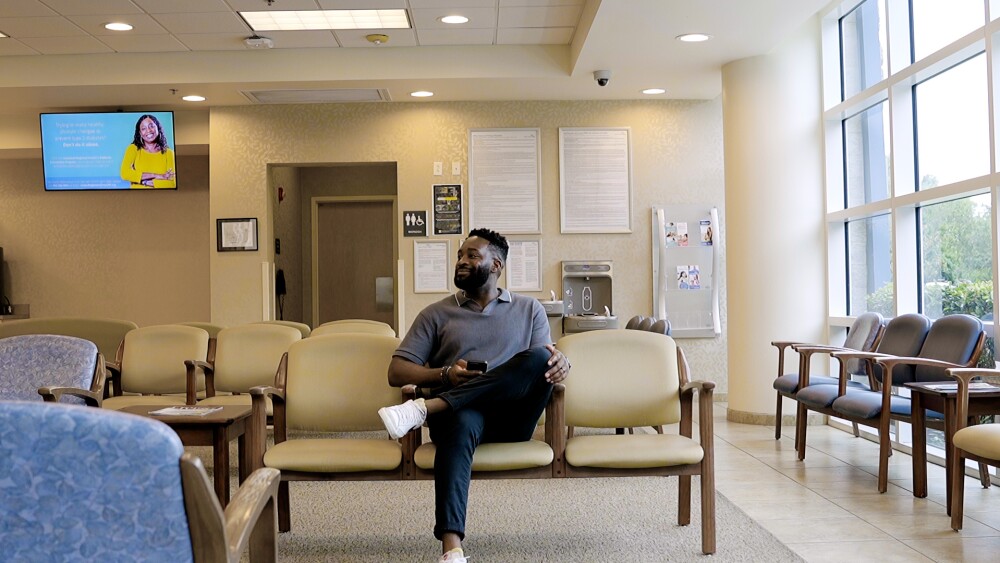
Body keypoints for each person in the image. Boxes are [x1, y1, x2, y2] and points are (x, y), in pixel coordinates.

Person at [378, 228, 571, 563]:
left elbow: (544, 361)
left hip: (512, 420)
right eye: (459, 256)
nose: (461, 262)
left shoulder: (529, 310)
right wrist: (444, 374)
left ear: (496, 265)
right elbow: (397, 371)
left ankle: (425, 409)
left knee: (540, 356)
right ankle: (452, 551)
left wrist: (562, 363)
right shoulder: (435, 314)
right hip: (459, 420)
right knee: (464, 417)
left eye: (471, 255)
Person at [120, 114, 176, 189]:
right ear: (140, 133)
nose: (148, 130)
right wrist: (158, 176)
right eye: (143, 128)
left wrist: (144, 181)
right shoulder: (133, 149)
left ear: (158, 128)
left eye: (151, 126)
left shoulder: (169, 153)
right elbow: (125, 173)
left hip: (162, 197)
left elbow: (173, 183)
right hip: (135, 197)